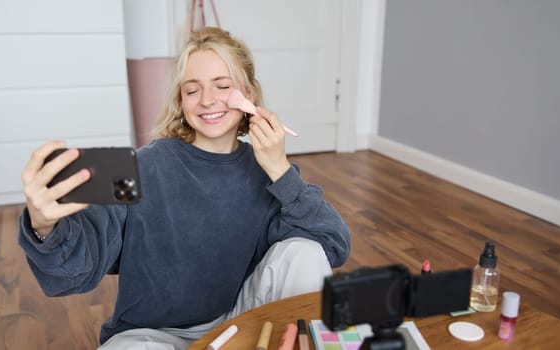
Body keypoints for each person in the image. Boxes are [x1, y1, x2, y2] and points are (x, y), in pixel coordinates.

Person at [18, 27, 350, 349]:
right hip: (151, 334)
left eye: (222, 86)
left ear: (249, 95)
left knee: (305, 250)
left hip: (239, 320)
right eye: (192, 90)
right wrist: (45, 226)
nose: (207, 100)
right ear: (181, 100)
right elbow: (74, 270)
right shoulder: (137, 165)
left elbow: (333, 244)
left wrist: (279, 169)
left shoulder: (268, 171)